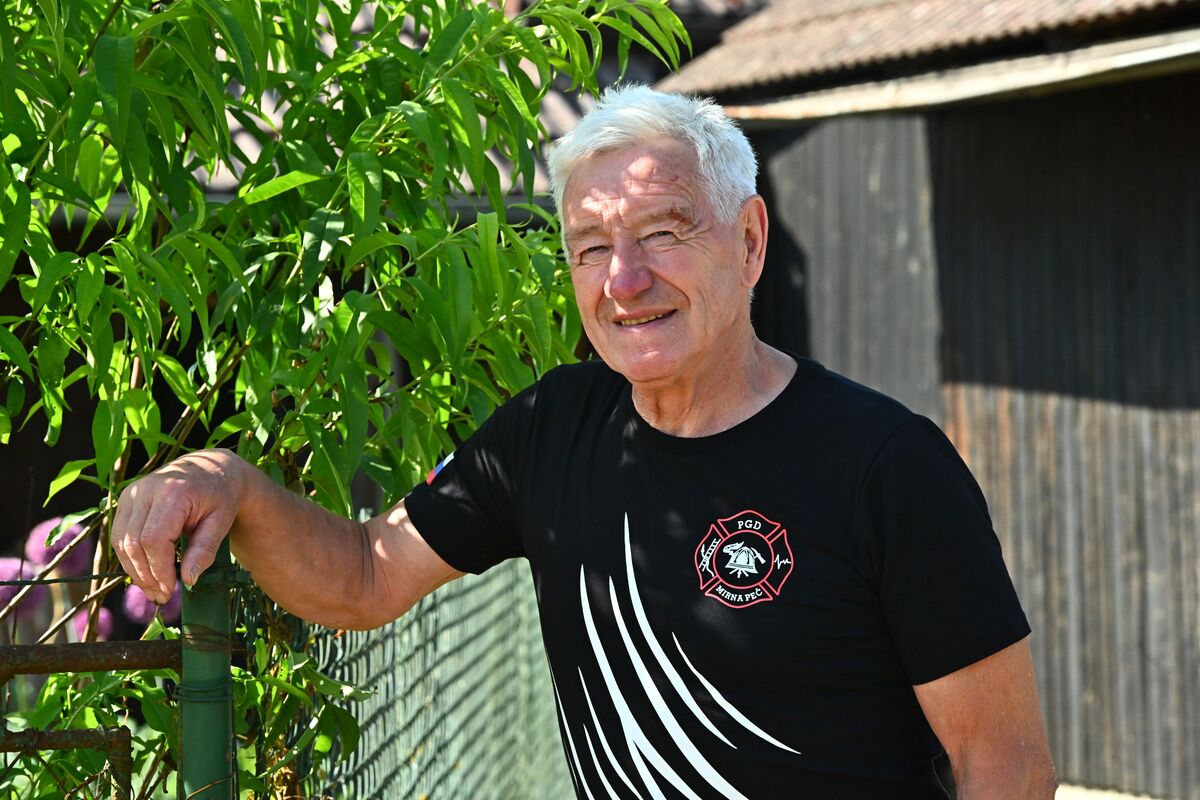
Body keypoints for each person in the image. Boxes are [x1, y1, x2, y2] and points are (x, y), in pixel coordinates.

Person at [112, 85, 1057, 798]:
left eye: (662, 232)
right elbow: (364, 575)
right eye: (592, 246)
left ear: (750, 241)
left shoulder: (888, 465)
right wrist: (228, 480)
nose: (624, 280)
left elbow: (1006, 763)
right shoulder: (551, 429)